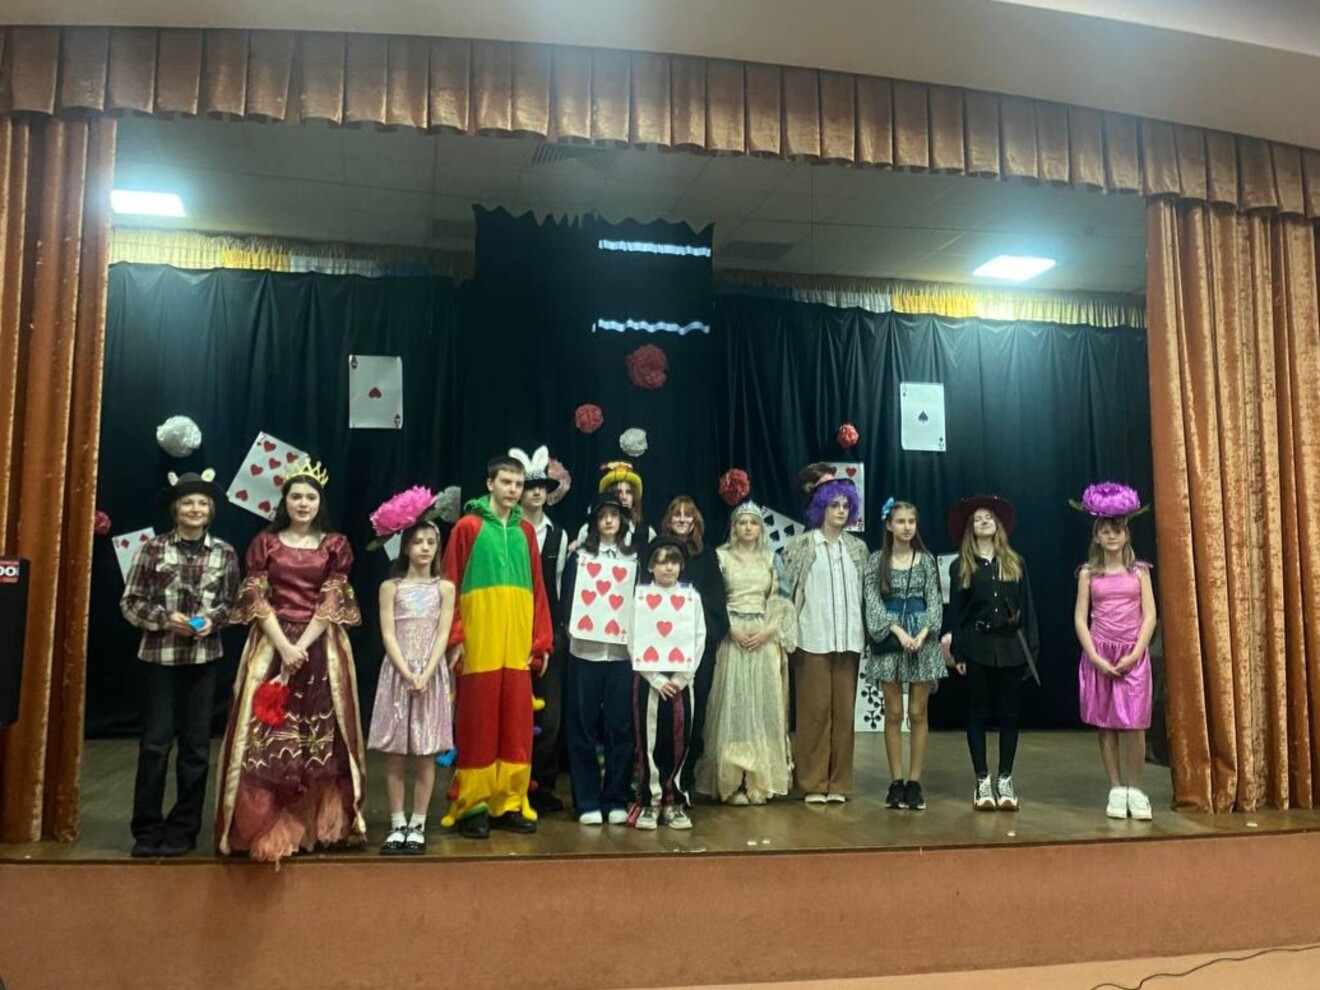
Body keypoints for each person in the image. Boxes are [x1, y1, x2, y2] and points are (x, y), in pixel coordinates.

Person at [216, 460, 368, 862]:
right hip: (272, 644)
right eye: (296, 496)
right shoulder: (265, 543)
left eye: (310, 497)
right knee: (267, 737)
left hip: (322, 646)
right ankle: (269, 827)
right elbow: (256, 597)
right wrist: (284, 646)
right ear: (285, 501)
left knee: (320, 736)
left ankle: (313, 826)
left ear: (320, 503)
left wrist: (302, 644)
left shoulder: (335, 545)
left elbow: (332, 599)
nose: (303, 503)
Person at [120, 470, 240, 858]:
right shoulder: (153, 549)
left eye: (202, 503)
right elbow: (131, 602)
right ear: (176, 509)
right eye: (188, 502)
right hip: (160, 657)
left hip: (203, 659)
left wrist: (212, 621)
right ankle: (146, 828)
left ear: (211, 511)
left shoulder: (224, 552)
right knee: (155, 744)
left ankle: (184, 829)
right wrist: (164, 619)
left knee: (196, 747)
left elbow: (233, 604)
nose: (195, 509)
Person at [441, 455, 554, 839]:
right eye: (506, 482)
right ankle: (473, 805)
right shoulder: (467, 528)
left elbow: (538, 589)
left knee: (516, 724)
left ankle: (508, 801)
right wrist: (455, 637)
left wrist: (541, 641)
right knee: (478, 722)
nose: (513, 490)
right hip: (480, 643)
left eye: (518, 484)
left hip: (517, 645)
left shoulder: (526, 532)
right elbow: (450, 583)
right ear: (490, 484)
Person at [366, 498, 456, 855]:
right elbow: (388, 634)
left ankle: (418, 823)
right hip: (398, 673)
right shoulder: (391, 587)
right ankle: (397, 823)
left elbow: (443, 633)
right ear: (405, 546)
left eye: (431, 542)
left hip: (430, 675)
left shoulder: (444, 588)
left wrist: (427, 672)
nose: (424, 548)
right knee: (395, 753)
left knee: (425, 752)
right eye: (417, 542)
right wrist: (406, 672)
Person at [696, 501, 794, 806]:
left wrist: (768, 631)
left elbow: (782, 599)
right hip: (733, 636)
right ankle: (732, 780)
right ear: (734, 528)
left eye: (753, 523)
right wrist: (730, 628)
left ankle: (758, 780)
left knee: (762, 708)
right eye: (742, 523)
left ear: (760, 528)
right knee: (733, 707)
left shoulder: (771, 559)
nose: (748, 528)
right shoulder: (722, 557)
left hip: (762, 637)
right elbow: (713, 597)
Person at [946, 494, 1039, 812]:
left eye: (988, 517)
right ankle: (982, 779)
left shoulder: (1015, 562)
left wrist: (1031, 650)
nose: (983, 522)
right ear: (970, 528)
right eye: (977, 519)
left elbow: (1027, 608)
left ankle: (1006, 778)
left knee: (1010, 714)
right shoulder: (962, 566)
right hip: (977, 646)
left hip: (1010, 647)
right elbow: (957, 613)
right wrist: (958, 652)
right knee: (977, 713)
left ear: (998, 524)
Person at [1071, 483, 1157, 820]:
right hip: (1100, 654)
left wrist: (1135, 653)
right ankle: (1116, 789)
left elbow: (1150, 616)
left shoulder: (1140, 572)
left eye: (1117, 531)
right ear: (1097, 536)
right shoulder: (1088, 574)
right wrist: (1094, 655)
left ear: (1126, 536)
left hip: (1132, 655)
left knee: (1135, 724)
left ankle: (1136, 789)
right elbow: (1080, 618)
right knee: (1106, 724)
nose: (1111, 536)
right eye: (1105, 531)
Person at [781, 474, 868, 804]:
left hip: (849, 641)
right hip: (812, 639)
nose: (841, 511)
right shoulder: (801, 547)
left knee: (844, 716)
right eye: (834, 505)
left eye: (846, 505)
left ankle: (839, 783)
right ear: (821, 508)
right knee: (814, 715)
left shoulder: (857, 549)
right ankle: (813, 782)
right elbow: (788, 593)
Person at [862, 498, 944, 812]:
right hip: (891, 639)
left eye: (911, 521)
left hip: (922, 640)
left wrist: (922, 634)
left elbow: (934, 601)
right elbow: (872, 602)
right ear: (889, 525)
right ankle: (896, 781)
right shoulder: (876, 561)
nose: (907, 527)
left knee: (918, 712)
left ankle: (915, 782)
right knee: (894, 712)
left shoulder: (926, 560)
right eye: (900, 521)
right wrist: (897, 631)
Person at [562, 491, 639, 825]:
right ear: (594, 521)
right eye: (603, 515)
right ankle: (587, 799)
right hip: (585, 652)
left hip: (622, 655)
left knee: (620, 726)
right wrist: (574, 630)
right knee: (582, 725)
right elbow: (567, 601)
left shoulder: (634, 559)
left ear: (623, 520)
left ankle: (616, 797)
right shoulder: (579, 558)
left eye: (615, 515)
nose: (609, 521)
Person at [628, 536, 707, 830]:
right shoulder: (640, 598)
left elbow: (699, 638)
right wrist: (656, 678)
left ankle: (673, 801)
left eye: (674, 562)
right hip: (650, 680)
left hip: (681, 679)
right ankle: (649, 801)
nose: (668, 568)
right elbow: (633, 638)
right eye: (662, 562)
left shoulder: (691, 598)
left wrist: (682, 678)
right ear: (651, 566)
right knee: (648, 740)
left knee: (679, 739)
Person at [509, 445, 569, 815]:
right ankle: (509, 784)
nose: (535, 493)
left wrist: (555, 633)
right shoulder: (506, 530)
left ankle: (542, 786)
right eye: (529, 487)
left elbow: (558, 586)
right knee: (511, 710)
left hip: (547, 632)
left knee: (549, 716)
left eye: (541, 488)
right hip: (510, 629)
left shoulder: (558, 535)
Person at [654, 495, 729, 792]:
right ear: (668, 520)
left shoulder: (706, 556)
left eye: (688, 515)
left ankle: (684, 778)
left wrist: (698, 631)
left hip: (698, 650)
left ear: (696, 521)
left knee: (694, 714)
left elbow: (717, 603)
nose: (683, 519)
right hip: (662, 648)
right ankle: (658, 777)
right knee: (663, 713)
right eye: (677, 515)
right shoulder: (658, 553)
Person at [575, 461, 657, 549]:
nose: (624, 497)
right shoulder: (587, 531)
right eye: (618, 492)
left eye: (629, 492)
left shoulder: (647, 533)